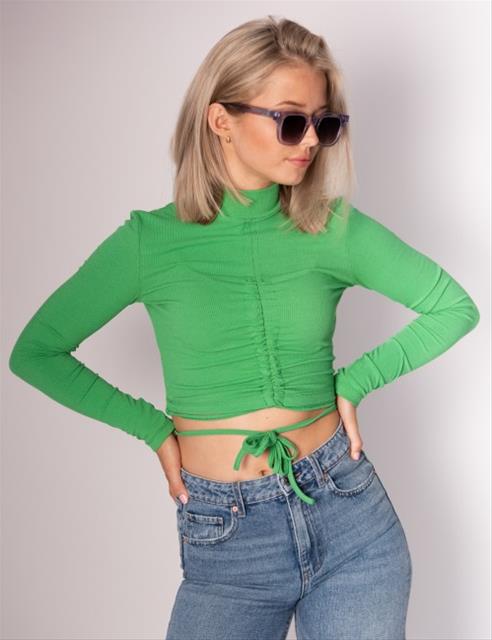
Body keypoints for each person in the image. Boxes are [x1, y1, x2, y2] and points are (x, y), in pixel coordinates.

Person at [9, 15, 480, 640]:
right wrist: (152, 428)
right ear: (221, 119)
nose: (309, 142)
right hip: (227, 534)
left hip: (350, 517)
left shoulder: (331, 227)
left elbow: (454, 306)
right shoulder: (149, 242)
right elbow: (36, 351)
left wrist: (355, 382)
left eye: (324, 124)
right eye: (290, 121)